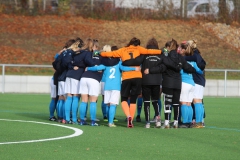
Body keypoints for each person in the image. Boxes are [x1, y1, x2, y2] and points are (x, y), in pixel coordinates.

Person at [100, 37, 162, 128]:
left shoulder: (123, 50)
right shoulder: (139, 49)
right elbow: (150, 51)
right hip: (137, 77)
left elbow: (111, 54)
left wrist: (101, 53)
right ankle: (131, 121)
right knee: (133, 100)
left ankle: (128, 116)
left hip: (126, 77)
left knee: (124, 99)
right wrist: (161, 52)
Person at [144, 39, 197, 129]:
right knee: (176, 103)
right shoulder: (180, 58)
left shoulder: (166, 57)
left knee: (167, 103)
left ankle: (167, 122)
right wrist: (192, 70)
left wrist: (150, 70)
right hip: (177, 84)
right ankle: (176, 122)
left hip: (168, 83)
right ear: (176, 47)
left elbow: (161, 68)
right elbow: (189, 68)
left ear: (169, 47)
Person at [88, 44, 140, 127]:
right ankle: (111, 122)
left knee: (108, 104)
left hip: (107, 86)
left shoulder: (105, 63)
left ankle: (108, 120)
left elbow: (98, 68)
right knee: (113, 104)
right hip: (116, 86)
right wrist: (134, 68)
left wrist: (88, 68)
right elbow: (124, 68)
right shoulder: (118, 62)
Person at [122, 38, 166, 128]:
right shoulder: (160, 54)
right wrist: (153, 70)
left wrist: (126, 62)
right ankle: (158, 120)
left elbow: (136, 61)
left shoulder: (144, 54)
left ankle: (148, 122)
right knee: (155, 100)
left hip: (146, 81)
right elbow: (163, 67)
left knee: (146, 101)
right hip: (157, 80)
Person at [178, 42, 203, 128]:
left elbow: (179, 70)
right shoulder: (193, 61)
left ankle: (186, 122)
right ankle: (194, 122)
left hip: (185, 83)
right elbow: (200, 71)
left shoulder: (182, 60)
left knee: (184, 103)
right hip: (192, 83)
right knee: (189, 103)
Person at [78, 39, 103, 126]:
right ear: (96, 47)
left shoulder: (88, 54)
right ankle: (92, 121)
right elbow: (103, 66)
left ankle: (82, 120)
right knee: (93, 101)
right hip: (94, 79)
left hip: (84, 77)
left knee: (84, 100)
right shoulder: (102, 55)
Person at [185, 40, 206, 128]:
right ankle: (200, 122)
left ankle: (198, 122)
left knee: (196, 101)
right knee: (199, 101)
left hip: (196, 80)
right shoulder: (198, 55)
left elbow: (184, 59)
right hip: (201, 80)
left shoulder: (193, 56)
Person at [63, 38, 85, 124]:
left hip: (68, 75)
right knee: (76, 97)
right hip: (76, 76)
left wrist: (71, 67)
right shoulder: (80, 53)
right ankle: (74, 119)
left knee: (69, 97)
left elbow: (66, 62)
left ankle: (67, 118)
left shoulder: (69, 52)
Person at [49, 53, 59, 121]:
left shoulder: (61, 54)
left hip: (55, 79)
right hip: (56, 80)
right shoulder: (64, 54)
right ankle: (52, 115)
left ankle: (52, 116)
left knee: (56, 99)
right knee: (55, 99)